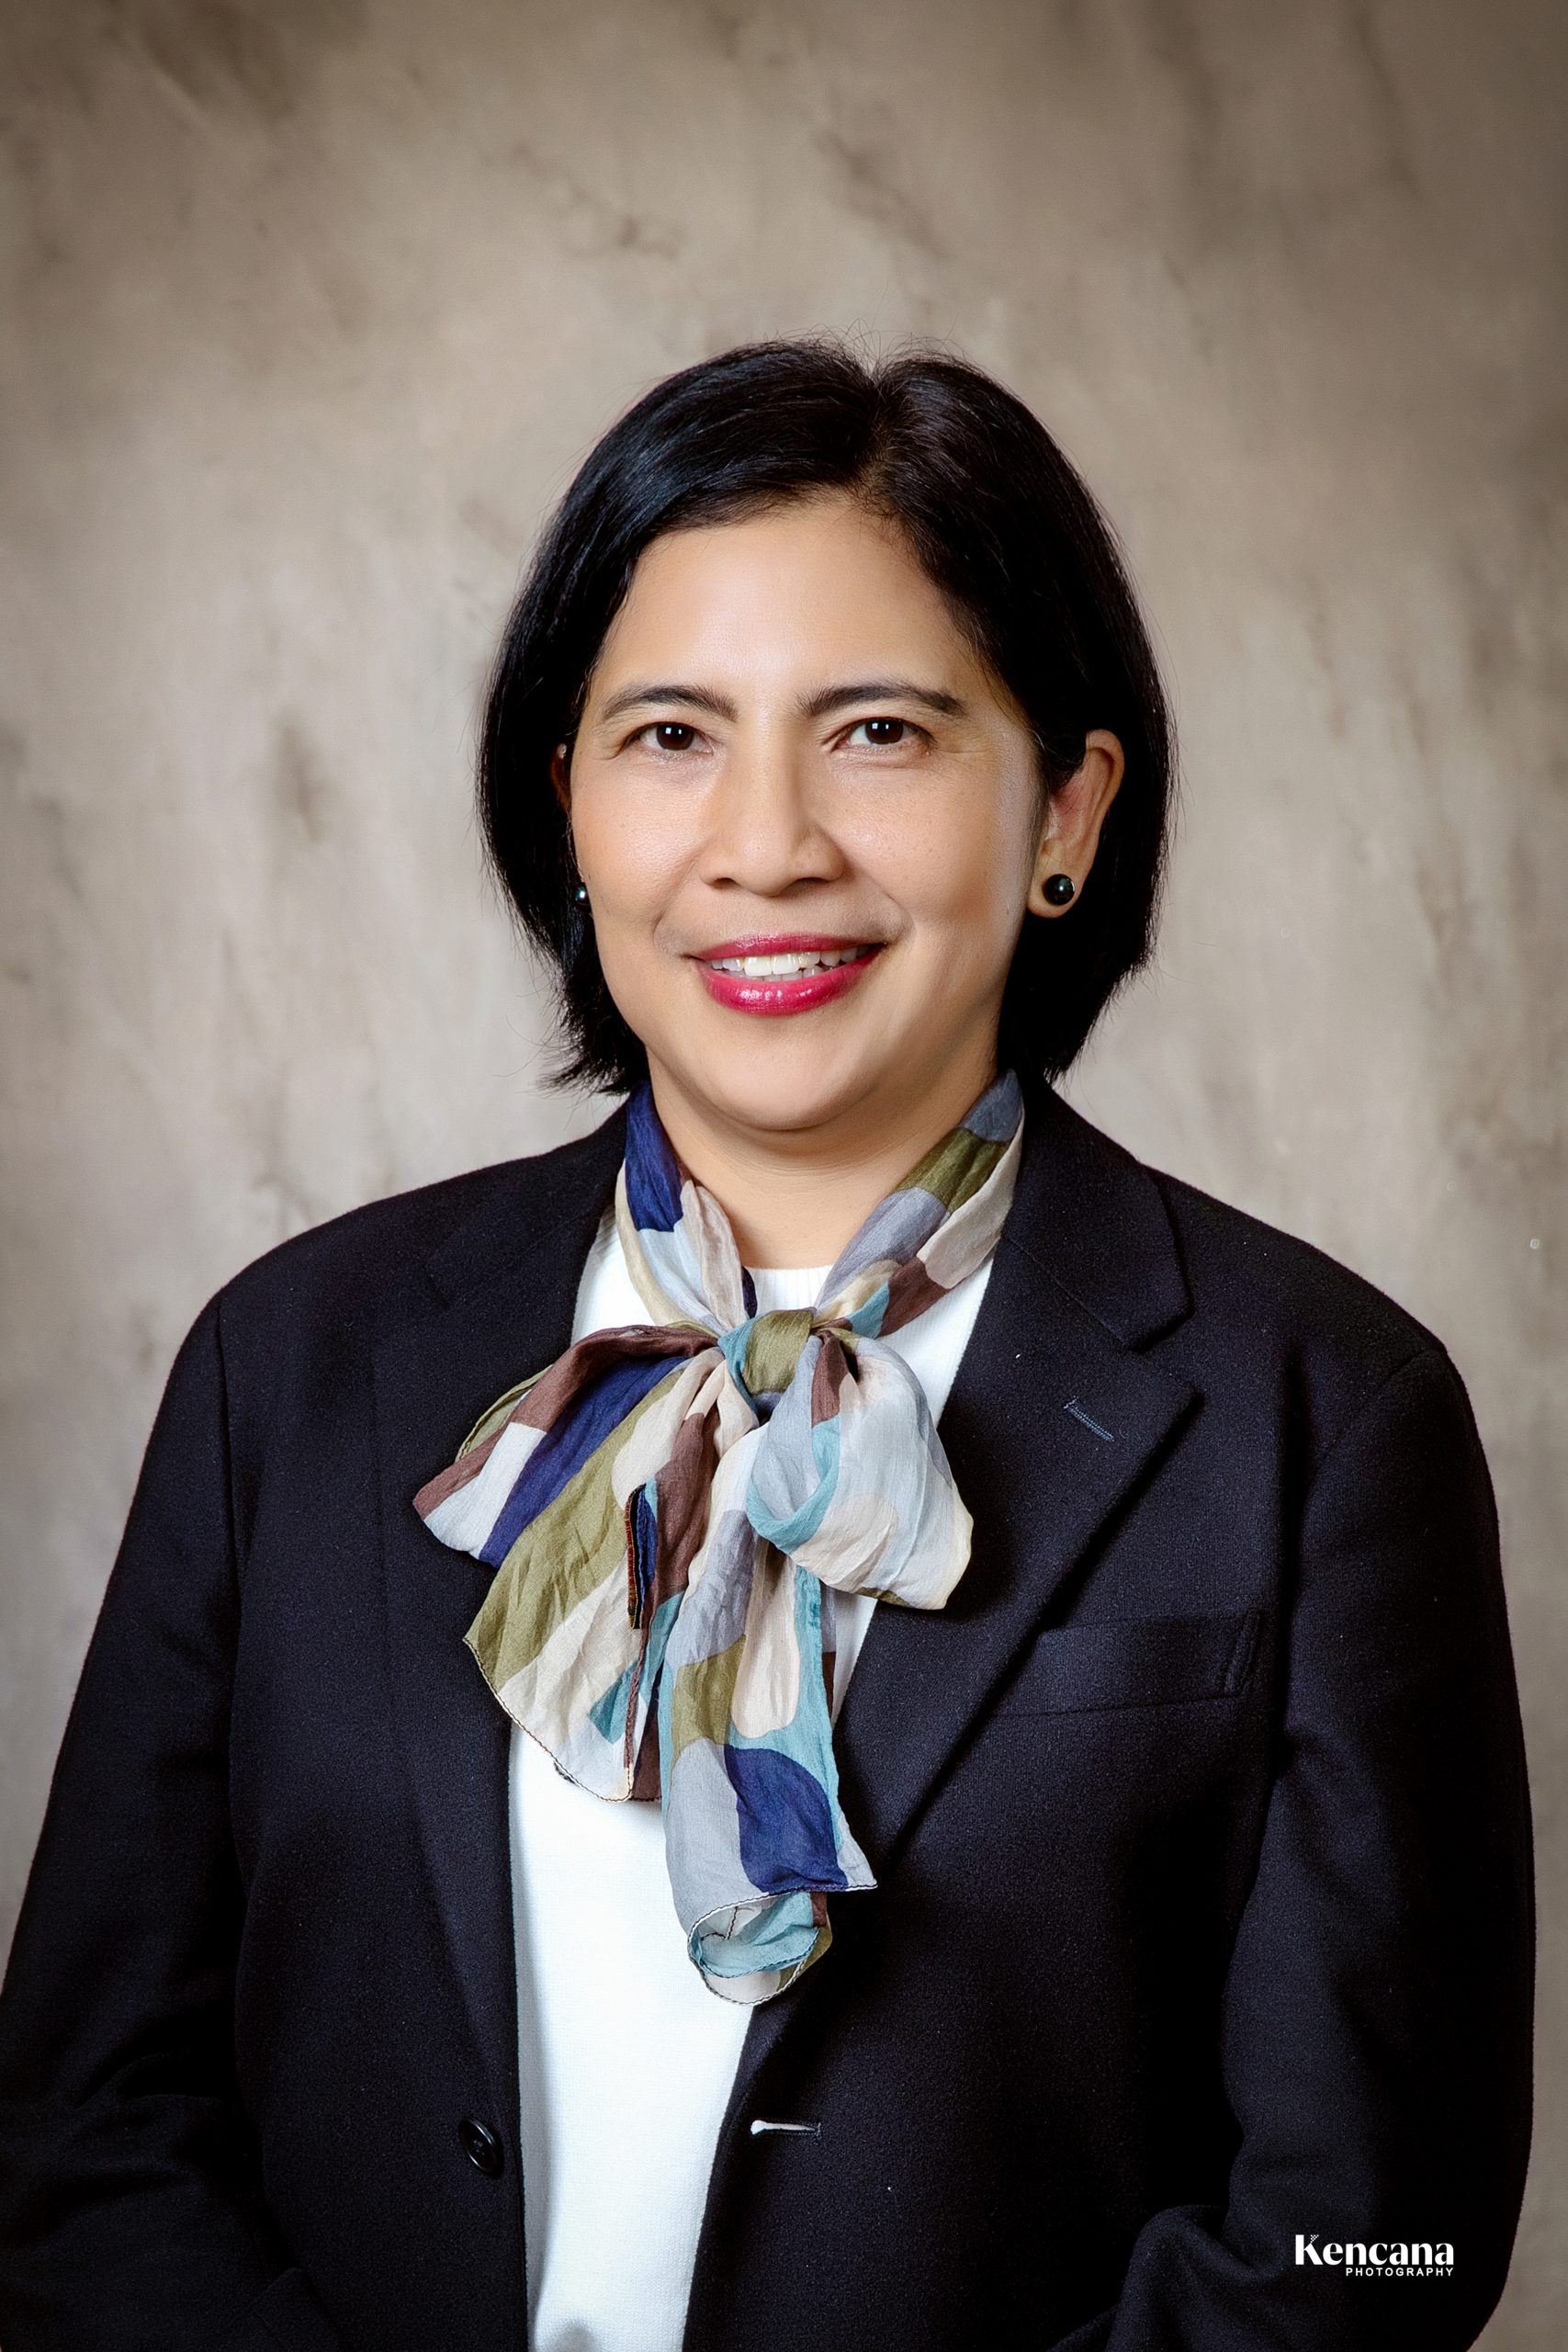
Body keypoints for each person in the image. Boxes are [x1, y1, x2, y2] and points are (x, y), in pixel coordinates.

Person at [0, 340, 1533, 2352]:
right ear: (563, 801)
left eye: (878, 731)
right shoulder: (288, 1367)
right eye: (668, 735)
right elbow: (85, 2137)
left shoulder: (1323, 1414)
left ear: (1065, 808)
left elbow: (1370, 2243)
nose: (766, 842)